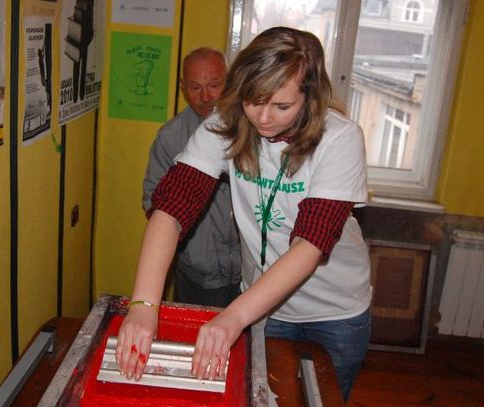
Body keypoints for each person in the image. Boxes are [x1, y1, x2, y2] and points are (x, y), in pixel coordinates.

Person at [117, 26, 371, 402]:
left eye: (281, 106)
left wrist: (232, 317)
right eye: (253, 100)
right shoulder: (226, 123)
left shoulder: (340, 138)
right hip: (264, 307)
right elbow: (170, 208)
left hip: (335, 310)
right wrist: (143, 306)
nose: (263, 118)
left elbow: (311, 243)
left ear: (311, 97)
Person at [142, 47, 241, 307]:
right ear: (183, 87)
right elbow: (153, 201)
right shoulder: (170, 137)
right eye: (195, 87)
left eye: (214, 85)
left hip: (251, 271)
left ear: (230, 81)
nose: (206, 97)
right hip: (198, 274)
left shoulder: (251, 127)